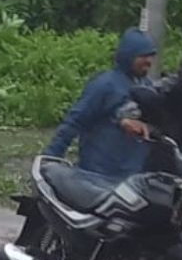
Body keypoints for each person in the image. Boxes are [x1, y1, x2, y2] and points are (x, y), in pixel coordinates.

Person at [44, 27, 157, 181]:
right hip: (99, 175)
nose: (148, 61)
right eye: (143, 56)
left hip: (133, 177)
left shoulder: (148, 86)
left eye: (151, 55)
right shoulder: (104, 84)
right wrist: (51, 157)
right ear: (128, 55)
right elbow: (75, 121)